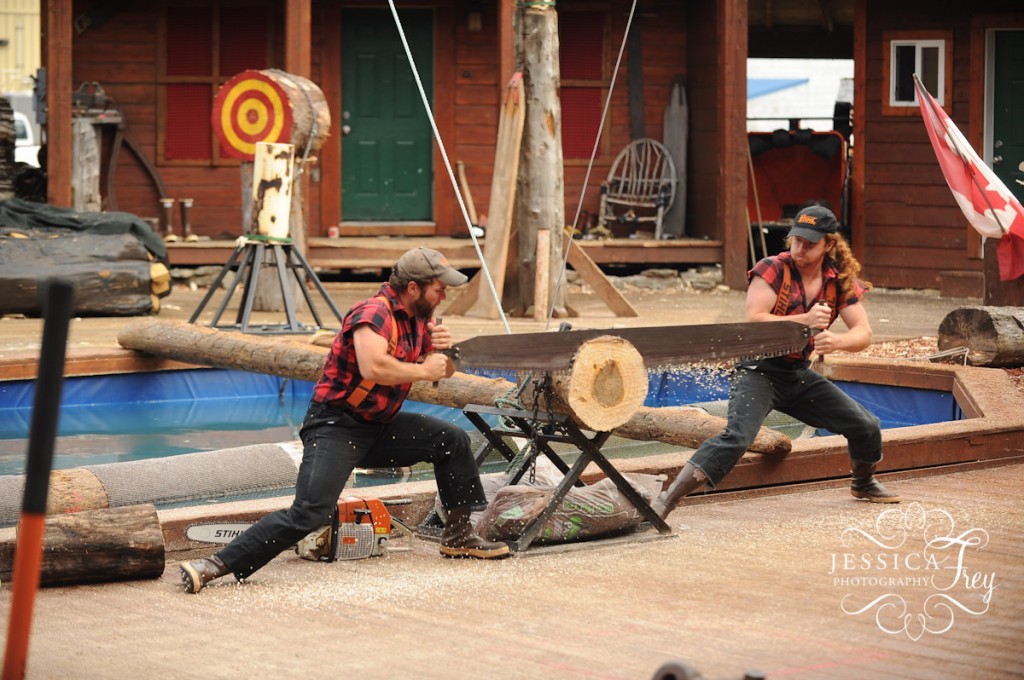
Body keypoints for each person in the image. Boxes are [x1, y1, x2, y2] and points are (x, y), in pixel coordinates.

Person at [180, 247, 509, 594]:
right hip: (336, 426)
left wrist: (447, 353)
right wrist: (425, 367)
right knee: (309, 512)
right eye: (438, 288)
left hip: (379, 426)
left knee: (452, 439)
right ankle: (214, 565)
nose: (444, 294)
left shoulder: (418, 319)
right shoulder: (372, 313)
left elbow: (441, 372)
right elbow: (374, 367)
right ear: (413, 287)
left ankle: (459, 537)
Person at [652, 205, 900, 518]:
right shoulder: (772, 268)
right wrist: (804, 320)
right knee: (738, 437)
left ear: (829, 244)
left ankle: (862, 483)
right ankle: (665, 501)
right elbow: (754, 321)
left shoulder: (838, 281)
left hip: (796, 374)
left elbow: (863, 333)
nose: (800, 248)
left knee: (866, 425)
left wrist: (838, 342)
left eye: (809, 243)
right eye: (796, 240)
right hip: (758, 370)